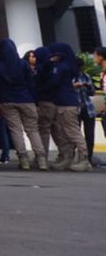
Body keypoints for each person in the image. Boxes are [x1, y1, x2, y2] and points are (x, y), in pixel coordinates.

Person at [0, 38, 46, 170]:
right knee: (33, 130)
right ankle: (42, 160)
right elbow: (31, 84)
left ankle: (24, 160)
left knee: (16, 130)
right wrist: (36, 102)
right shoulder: (23, 64)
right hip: (26, 100)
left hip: (7, 100)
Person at [49, 43, 91, 171]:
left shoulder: (61, 67)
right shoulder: (68, 67)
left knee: (72, 131)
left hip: (66, 104)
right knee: (64, 132)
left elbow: (53, 83)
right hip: (65, 103)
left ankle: (84, 159)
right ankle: (68, 158)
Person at [31, 46, 57, 162]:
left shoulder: (40, 68)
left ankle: (41, 157)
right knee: (52, 129)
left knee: (43, 130)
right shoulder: (54, 67)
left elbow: (36, 85)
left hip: (43, 101)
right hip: (54, 101)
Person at [72, 58, 96, 161]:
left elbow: (92, 93)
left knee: (89, 135)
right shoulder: (71, 78)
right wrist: (74, 87)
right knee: (74, 134)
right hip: (75, 108)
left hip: (88, 108)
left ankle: (88, 159)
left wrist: (88, 86)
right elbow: (66, 90)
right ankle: (71, 157)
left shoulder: (86, 77)